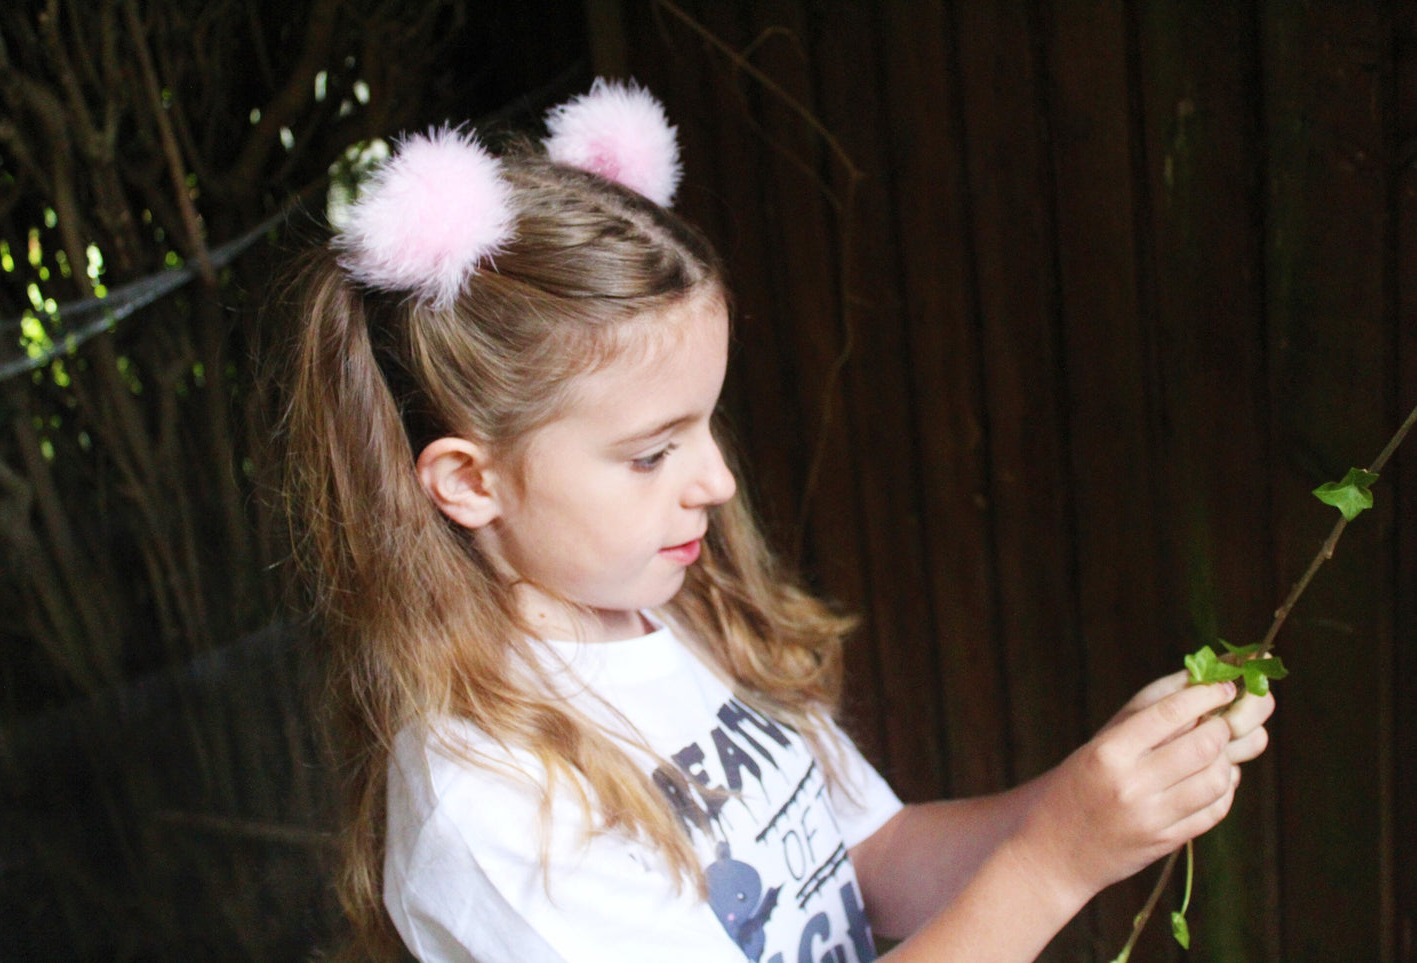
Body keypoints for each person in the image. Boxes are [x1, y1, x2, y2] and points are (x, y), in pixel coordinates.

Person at [273, 79, 1274, 963]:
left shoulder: (676, 615)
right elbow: (1028, 871)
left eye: (706, 423)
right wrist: (1053, 864)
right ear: (469, 481)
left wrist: (1088, 799)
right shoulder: (493, 805)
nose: (715, 480)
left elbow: (872, 860)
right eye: (651, 452)